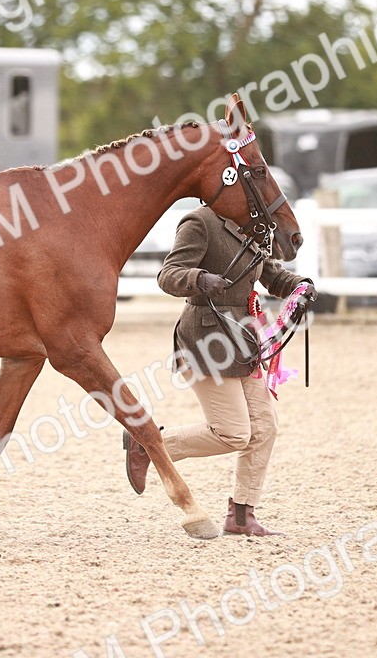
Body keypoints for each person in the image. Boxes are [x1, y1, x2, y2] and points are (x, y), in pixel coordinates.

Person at [123, 205, 314, 536]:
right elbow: (168, 274)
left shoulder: (253, 228)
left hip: (243, 339)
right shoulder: (199, 223)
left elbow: (270, 275)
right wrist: (199, 278)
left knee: (265, 426)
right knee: (234, 433)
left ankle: (241, 515)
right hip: (206, 340)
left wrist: (300, 285)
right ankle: (149, 444)